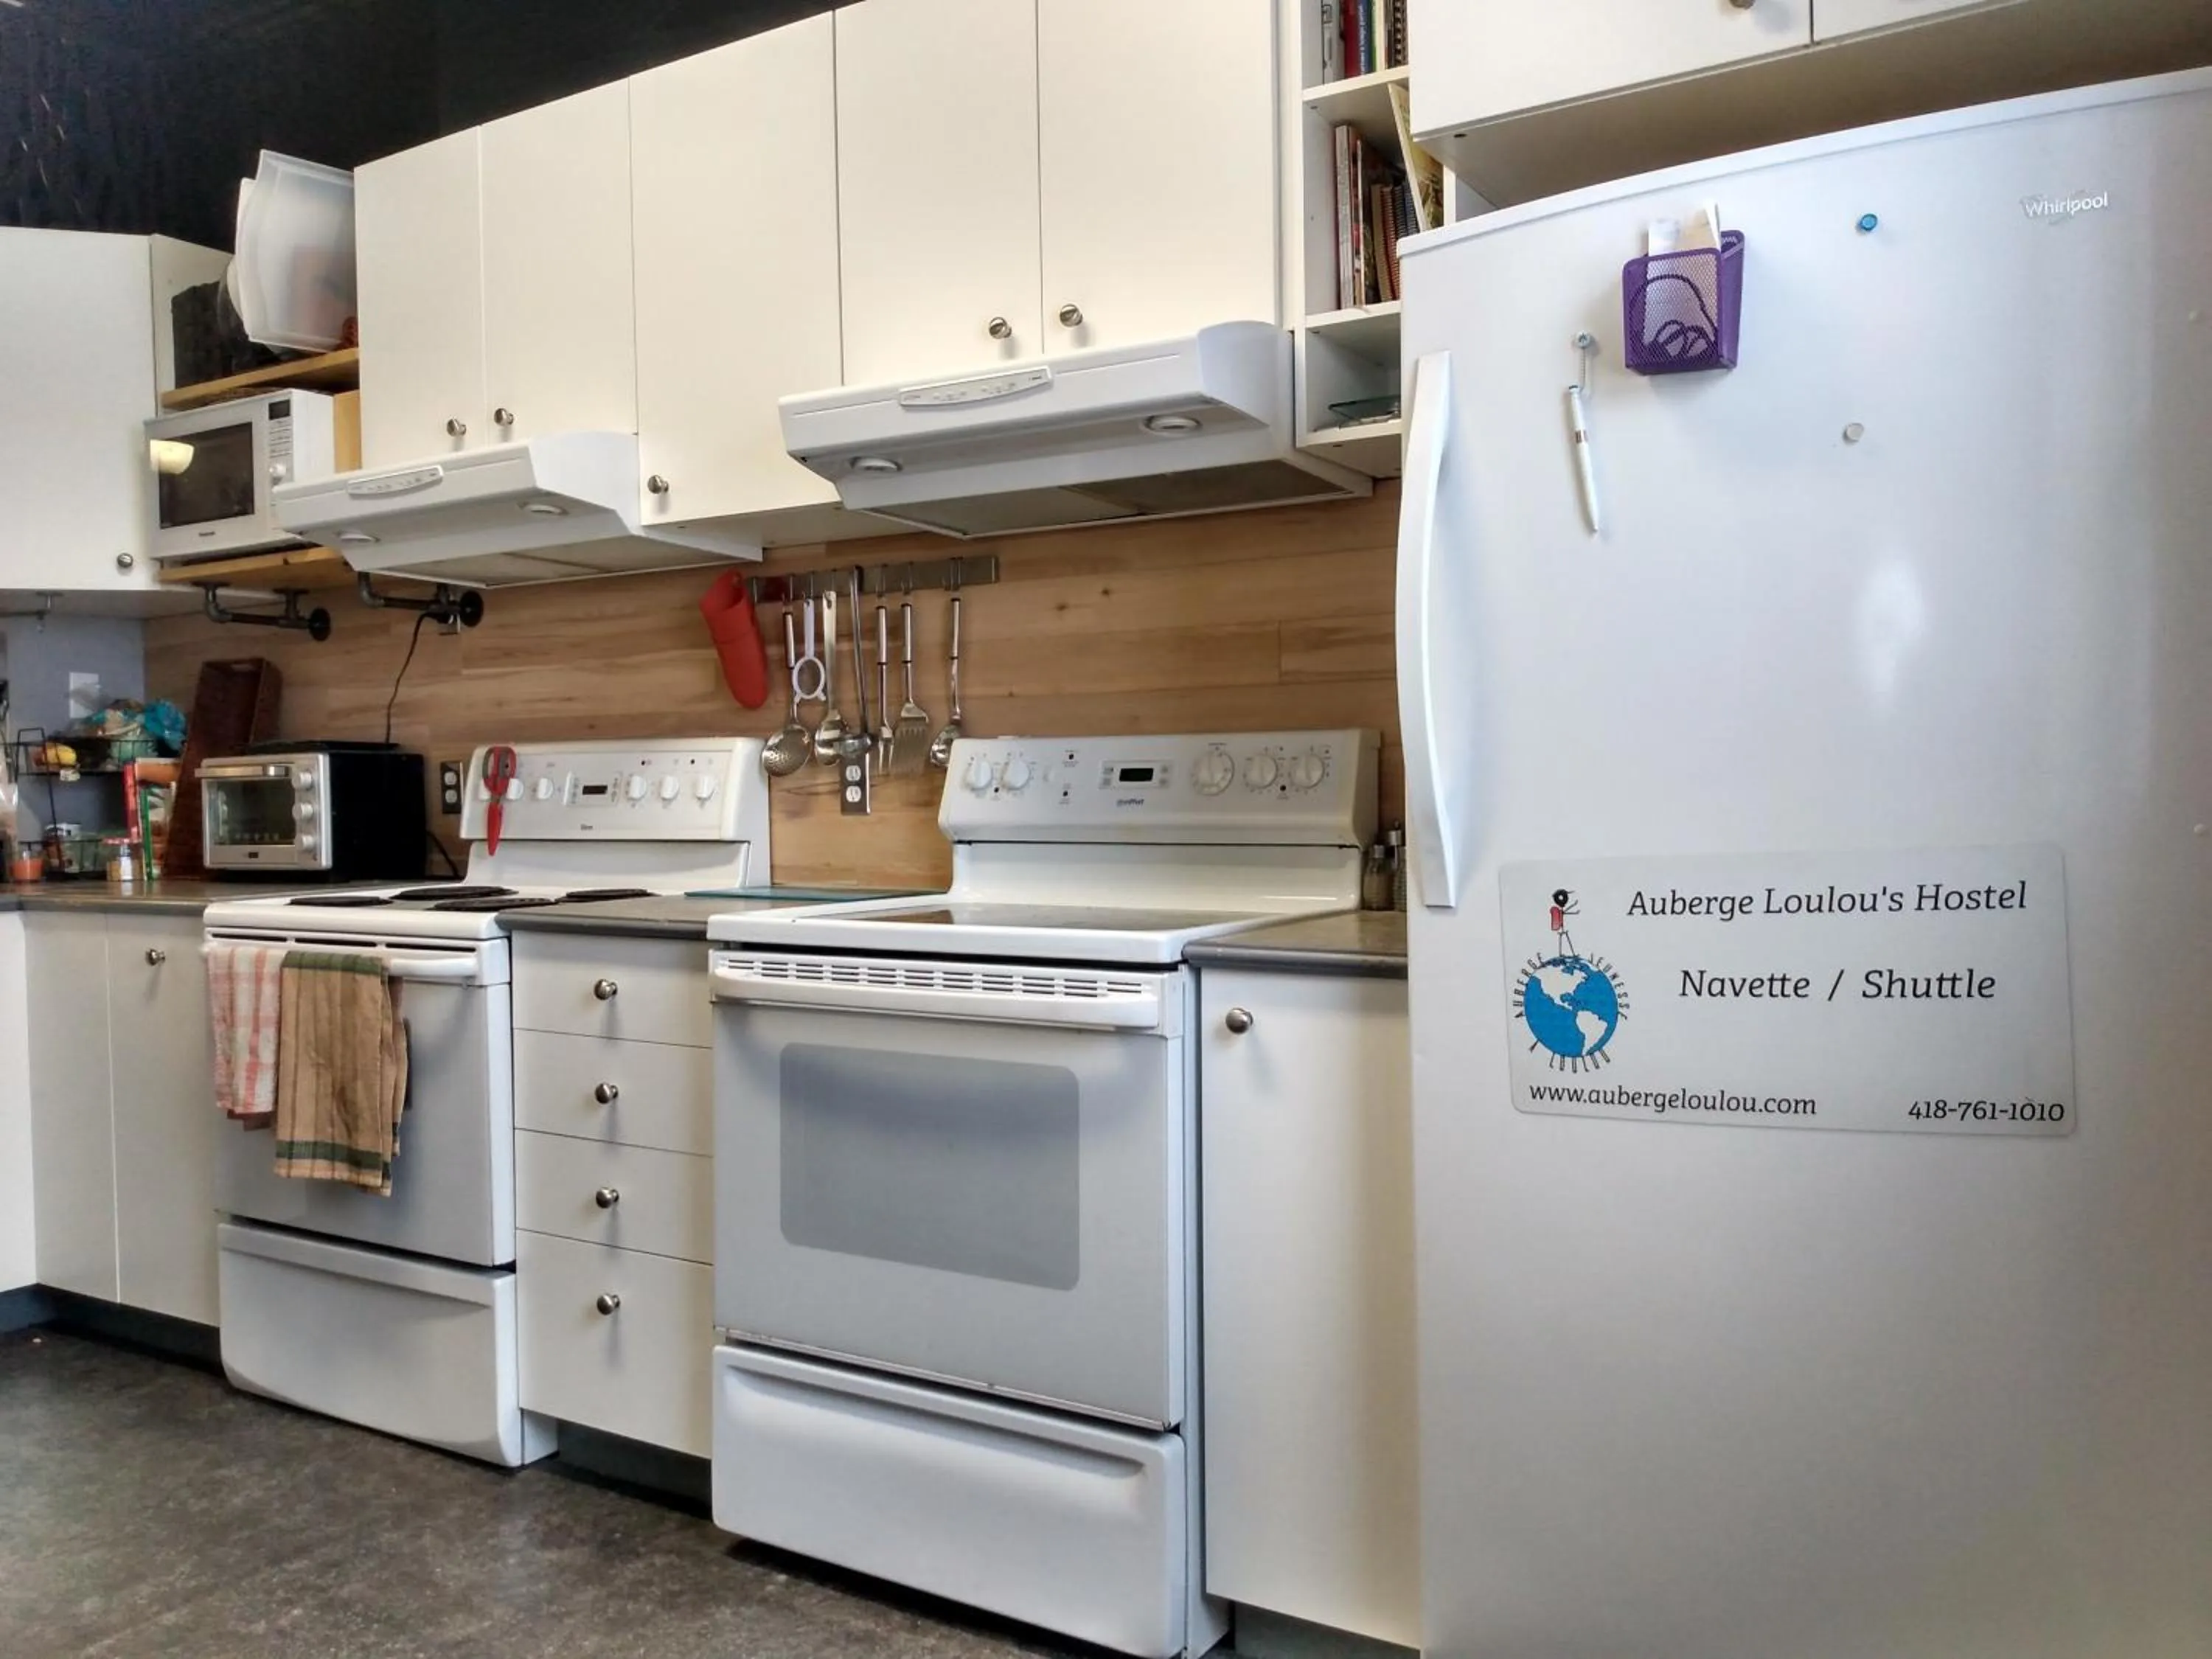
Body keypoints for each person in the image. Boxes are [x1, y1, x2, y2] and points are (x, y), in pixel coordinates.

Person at [1548, 888, 1580, 960]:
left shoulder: (1560, 910)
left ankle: (1564, 954)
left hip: (1562, 927)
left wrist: (1575, 910)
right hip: (1562, 927)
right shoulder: (1559, 910)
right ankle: (1567, 954)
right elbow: (1566, 911)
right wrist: (1574, 905)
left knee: (1563, 938)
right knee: (1566, 938)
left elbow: (1566, 912)